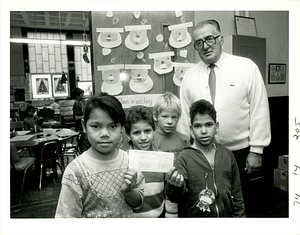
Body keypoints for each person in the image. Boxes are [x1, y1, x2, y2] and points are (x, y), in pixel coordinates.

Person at [176, 19, 271, 215]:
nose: (205, 45)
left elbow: (259, 109)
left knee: (238, 204)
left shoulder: (246, 67)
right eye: (199, 42)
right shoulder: (190, 76)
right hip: (201, 156)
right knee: (207, 205)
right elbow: (185, 118)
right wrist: (185, 154)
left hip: (240, 153)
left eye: (210, 38)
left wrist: (257, 150)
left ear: (221, 40)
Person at [55, 94, 145, 218]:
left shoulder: (130, 162)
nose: (104, 134)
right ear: (84, 126)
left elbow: (138, 204)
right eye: (96, 126)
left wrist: (128, 192)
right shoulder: (75, 171)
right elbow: (66, 217)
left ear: (122, 128)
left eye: (112, 126)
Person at [165, 99, 245, 217]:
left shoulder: (227, 155)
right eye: (198, 126)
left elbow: (237, 195)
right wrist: (174, 186)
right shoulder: (184, 157)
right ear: (191, 130)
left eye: (208, 125)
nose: (203, 131)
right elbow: (175, 197)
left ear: (216, 127)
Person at [152, 92, 191, 217]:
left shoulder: (184, 140)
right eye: (164, 116)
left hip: (180, 189)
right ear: (155, 116)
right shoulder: (151, 139)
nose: (169, 121)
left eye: (174, 117)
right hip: (157, 191)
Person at [125, 105, 165, 218]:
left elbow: (168, 194)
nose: (143, 137)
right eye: (137, 133)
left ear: (154, 130)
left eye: (147, 131)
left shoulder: (162, 158)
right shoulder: (123, 160)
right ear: (128, 135)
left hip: (159, 216)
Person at [72, 87, 90, 153]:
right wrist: (85, 116)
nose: (83, 96)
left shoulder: (80, 104)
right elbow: (76, 117)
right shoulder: (76, 105)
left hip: (83, 128)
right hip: (80, 129)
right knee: (84, 148)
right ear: (77, 96)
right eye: (82, 95)